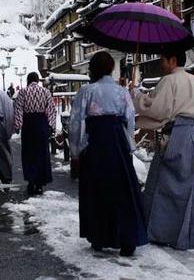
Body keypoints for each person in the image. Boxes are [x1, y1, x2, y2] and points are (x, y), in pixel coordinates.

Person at [132, 50, 194, 250]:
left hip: (177, 137)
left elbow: (156, 108)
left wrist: (136, 95)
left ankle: (166, 231)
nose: (161, 64)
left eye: (163, 59)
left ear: (173, 60)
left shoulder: (169, 80)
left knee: (167, 187)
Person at [69, 52, 148, 257]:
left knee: (97, 190)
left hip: (95, 143)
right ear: (111, 68)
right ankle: (126, 239)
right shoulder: (122, 92)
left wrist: (75, 152)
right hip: (118, 143)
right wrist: (128, 144)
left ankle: (99, 236)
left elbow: (76, 123)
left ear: (93, 69)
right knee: (122, 190)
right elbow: (130, 120)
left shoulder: (86, 91)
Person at [14, 72, 57, 195]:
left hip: (28, 125)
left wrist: (18, 126)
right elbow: (51, 110)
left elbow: (18, 110)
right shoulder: (45, 92)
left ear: (28, 80)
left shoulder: (23, 92)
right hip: (41, 124)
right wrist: (51, 126)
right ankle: (40, 184)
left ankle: (31, 182)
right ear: (37, 80)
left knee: (29, 154)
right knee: (41, 153)